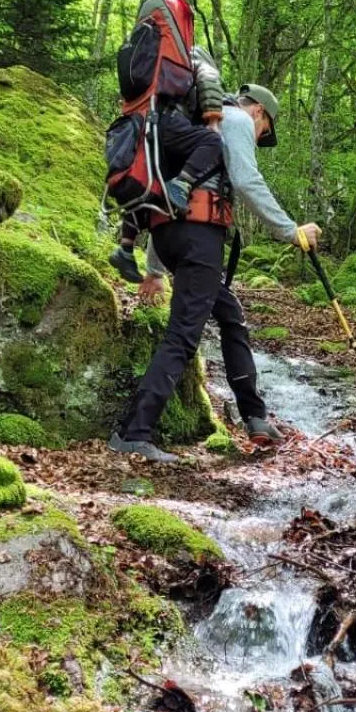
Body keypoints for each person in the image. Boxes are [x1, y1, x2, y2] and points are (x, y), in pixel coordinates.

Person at [109, 83, 321, 463]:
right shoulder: (236, 118)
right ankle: (133, 431)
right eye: (265, 131)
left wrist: (155, 269)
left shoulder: (188, 126)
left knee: (230, 315)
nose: (259, 137)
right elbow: (245, 180)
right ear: (258, 112)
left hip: (171, 236)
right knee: (183, 337)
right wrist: (290, 231)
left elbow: (169, 198)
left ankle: (254, 417)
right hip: (199, 237)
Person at [109, 42, 227, 284]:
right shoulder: (194, 54)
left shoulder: (152, 60)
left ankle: (125, 249)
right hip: (170, 121)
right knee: (213, 143)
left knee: (147, 186)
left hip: (144, 124)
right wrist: (213, 120)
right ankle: (182, 184)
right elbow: (208, 78)